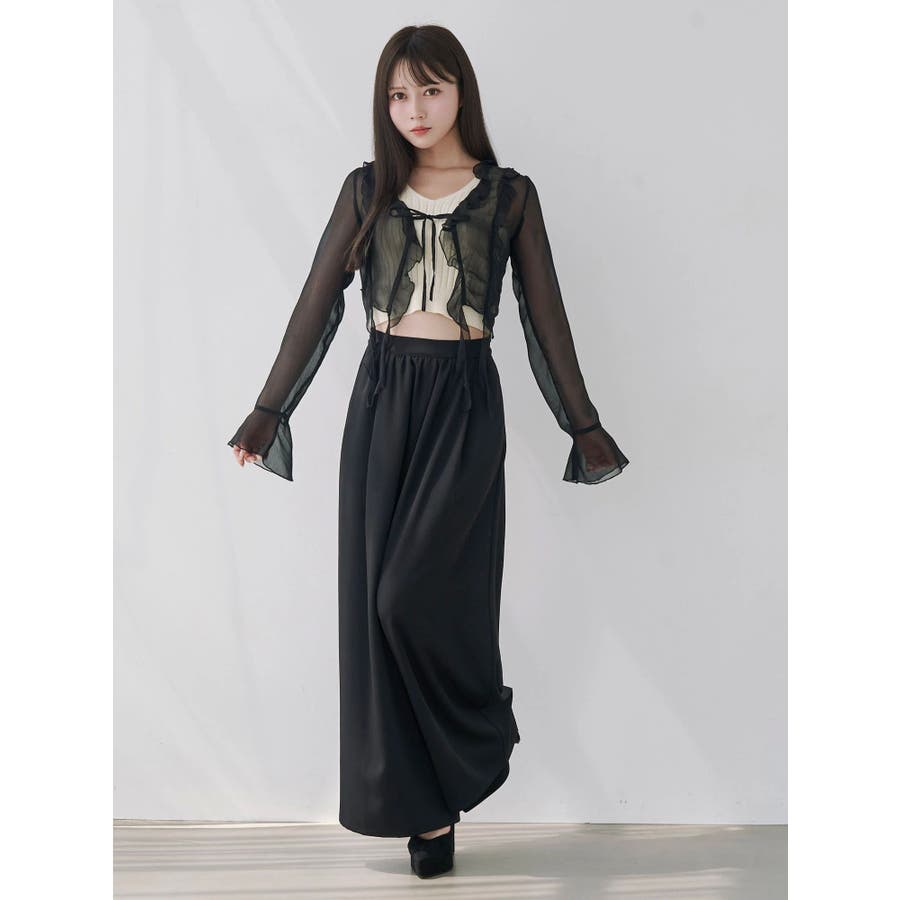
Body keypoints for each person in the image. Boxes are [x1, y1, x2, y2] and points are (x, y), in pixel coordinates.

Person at [227, 24, 630, 879]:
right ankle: (429, 812)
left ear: (461, 95)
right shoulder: (367, 189)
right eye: (398, 94)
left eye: (431, 90)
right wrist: (269, 410)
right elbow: (316, 303)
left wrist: (582, 423)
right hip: (381, 401)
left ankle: (480, 731)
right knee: (377, 613)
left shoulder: (509, 195)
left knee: (411, 596)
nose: (414, 109)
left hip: (464, 403)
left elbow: (545, 319)